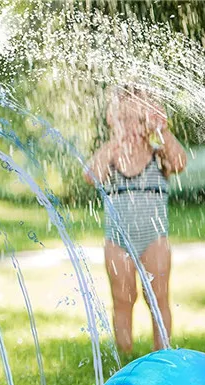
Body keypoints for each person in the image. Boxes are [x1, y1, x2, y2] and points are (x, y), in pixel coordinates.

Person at [85, 86, 187, 356]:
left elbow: (180, 163)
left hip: (154, 239)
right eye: (125, 119)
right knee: (122, 299)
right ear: (113, 120)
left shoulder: (158, 154)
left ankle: (163, 353)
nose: (132, 126)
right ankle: (125, 354)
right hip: (118, 241)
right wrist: (114, 142)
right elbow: (90, 175)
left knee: (158, 298)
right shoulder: (112, 156)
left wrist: (162, 131)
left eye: (139, 120)